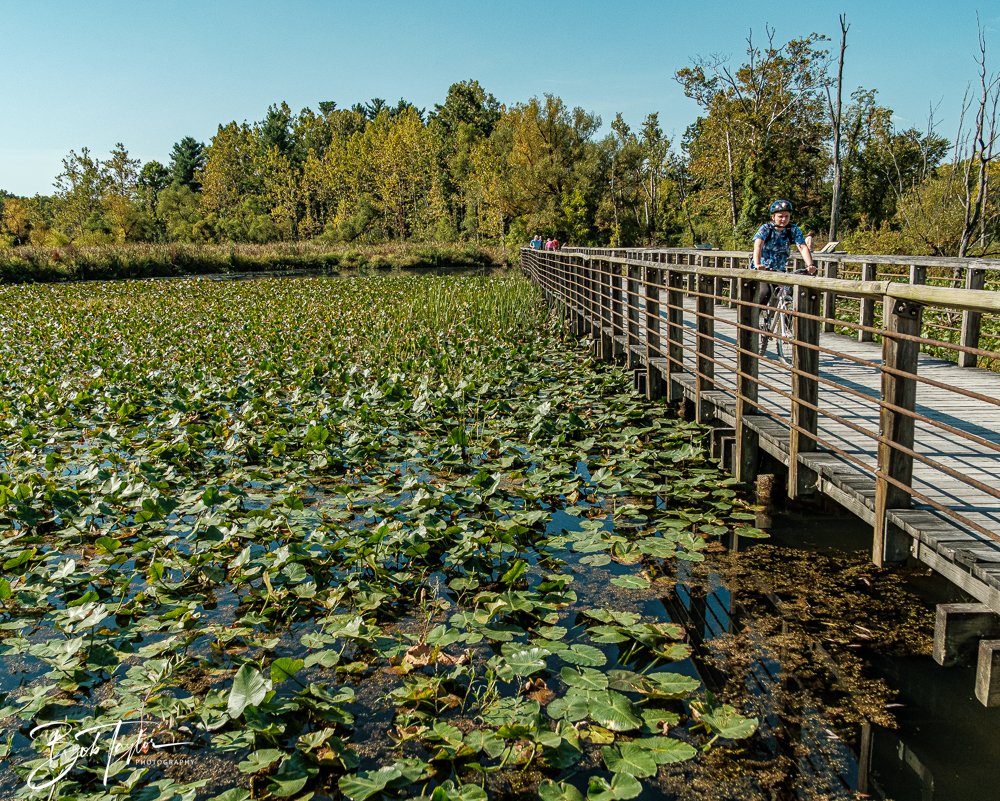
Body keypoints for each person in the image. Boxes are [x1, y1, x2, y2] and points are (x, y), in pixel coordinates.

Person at [751, 199, 816, 306]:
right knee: (765, 292)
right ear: (773, 217)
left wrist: (810, 265)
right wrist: (758, 264)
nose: (784, 219)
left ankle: (784, 315)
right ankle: (752, 315)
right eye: (780, 216)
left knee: (787, 293)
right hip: (763, 269)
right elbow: (758, 246)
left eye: (787, 216)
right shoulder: (766, 228)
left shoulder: (793, 229)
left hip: (780, 270)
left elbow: (803, 247)